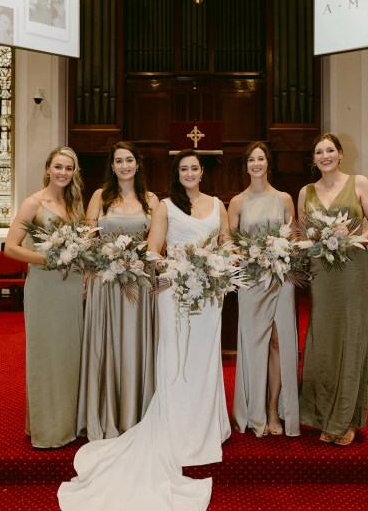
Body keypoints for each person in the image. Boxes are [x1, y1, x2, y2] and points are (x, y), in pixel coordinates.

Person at [58, 149, 231, 510]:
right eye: (183, 168)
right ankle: (130, 417)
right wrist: (175, 268)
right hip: (137, 285)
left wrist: (219, 263)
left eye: (194, 167)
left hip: (187, 287)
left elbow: (224, 243)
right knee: (165, 355)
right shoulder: (131, 200)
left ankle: (203, 424)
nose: (189, 172)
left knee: (196, 358)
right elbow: (145, 247)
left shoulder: (177, 201)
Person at [297, 133, 368, 446]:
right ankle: (320, 414)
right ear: (314, 158)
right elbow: (301, 233)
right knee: (322, 338)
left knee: (349, 337)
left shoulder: (359, 183)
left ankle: (343, 420)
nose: (325, 156)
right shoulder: (306, 191)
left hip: (352, 271)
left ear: (340, 154)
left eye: (330, 150)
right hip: (322, 273)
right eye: (319, 151)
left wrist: (354, 239)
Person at [77, 142, 159, 441]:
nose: (124, 165)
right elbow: (87, 238)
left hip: (138, 282)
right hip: (106, 282)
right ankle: (107, 413)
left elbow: (156, 243)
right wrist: (91, 269)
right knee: (108, 343)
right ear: (111, 166)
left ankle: (137, 413)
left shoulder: (151, 200)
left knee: (134, 344)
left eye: (129, 160)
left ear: (138, 163)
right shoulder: (100, 197)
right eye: (118, 161)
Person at [5, 147, 85, 448]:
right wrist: (48, 260)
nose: (63, 173)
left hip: (72, 287)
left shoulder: (74, 204)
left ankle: (69, 423)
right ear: (48, 168)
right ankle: (48, 428)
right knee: (47, 356)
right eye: (58, 167)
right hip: (45, 286)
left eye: (69, 168)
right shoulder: (33, 203)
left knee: (69, 355)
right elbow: (11, 248)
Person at [229, 141, 300, 438]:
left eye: (261, 159)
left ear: (268, 163)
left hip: (280, 278)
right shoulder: (236, 202)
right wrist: (248, 255)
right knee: (253, 343)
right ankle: (253, 409)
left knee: (277, 342)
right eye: (251, 160)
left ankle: (273, 410)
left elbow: (293, 236)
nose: (256, 164)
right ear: (246, 165)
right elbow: (229, 241)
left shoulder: (283, 199)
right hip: (251, 280)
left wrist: (282, 251)